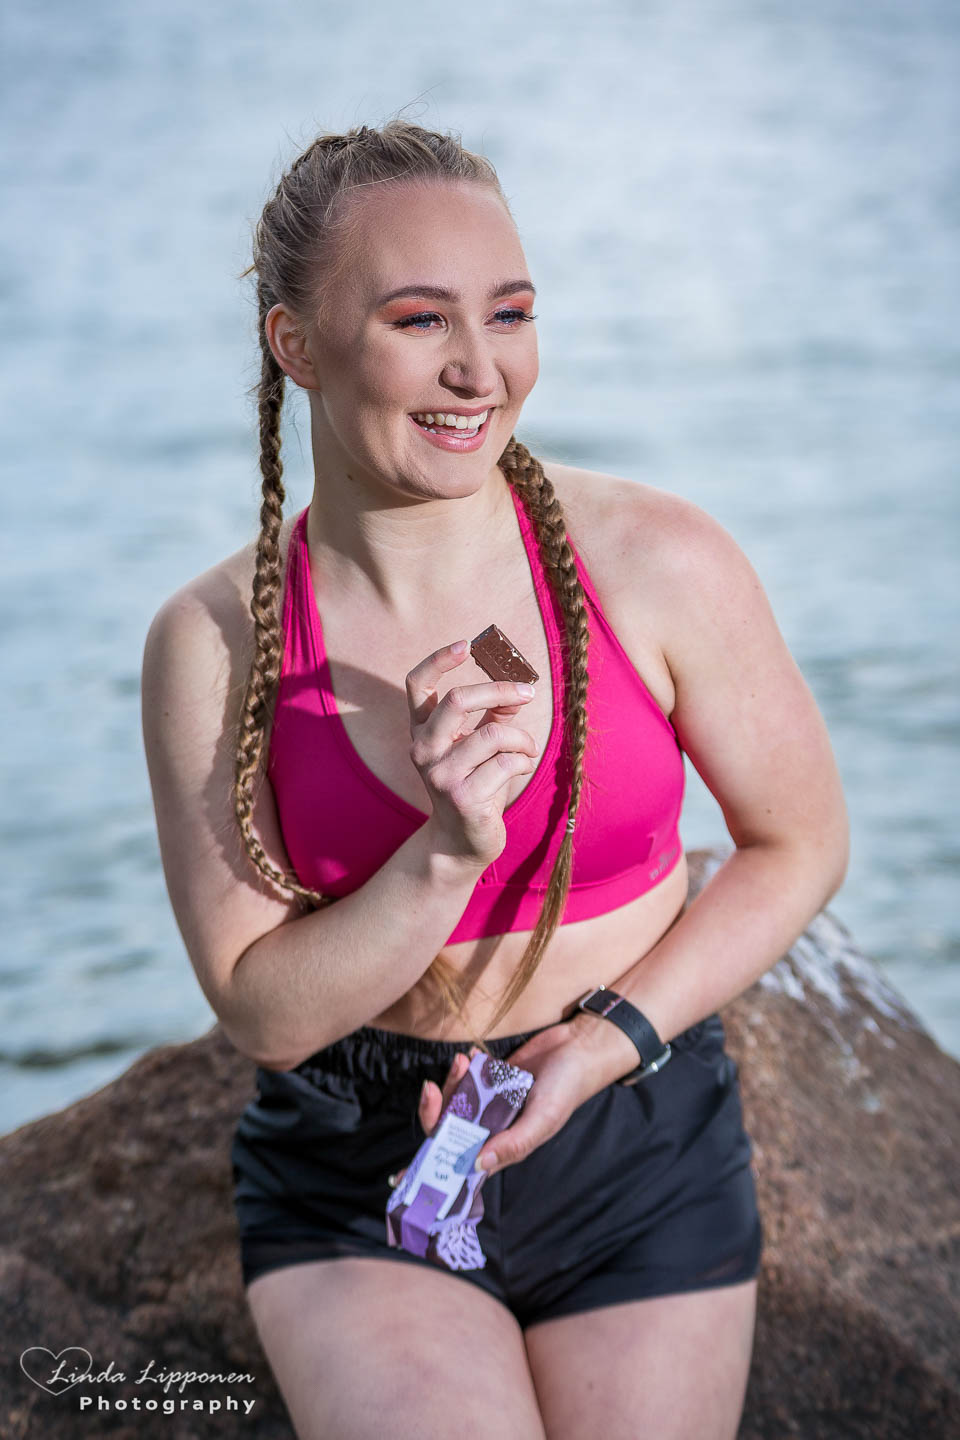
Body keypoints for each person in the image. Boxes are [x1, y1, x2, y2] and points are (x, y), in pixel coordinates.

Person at [141, 117, 849, 1440]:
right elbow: (262, 1012)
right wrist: (444, 858)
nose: (481, 369)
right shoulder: (216, 641)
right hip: (360, 1166)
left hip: (634, 1126)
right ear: (295, 343)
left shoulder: (658, 560)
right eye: (421, 320)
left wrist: (612, 1038)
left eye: (511, 313)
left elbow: (798, 842)